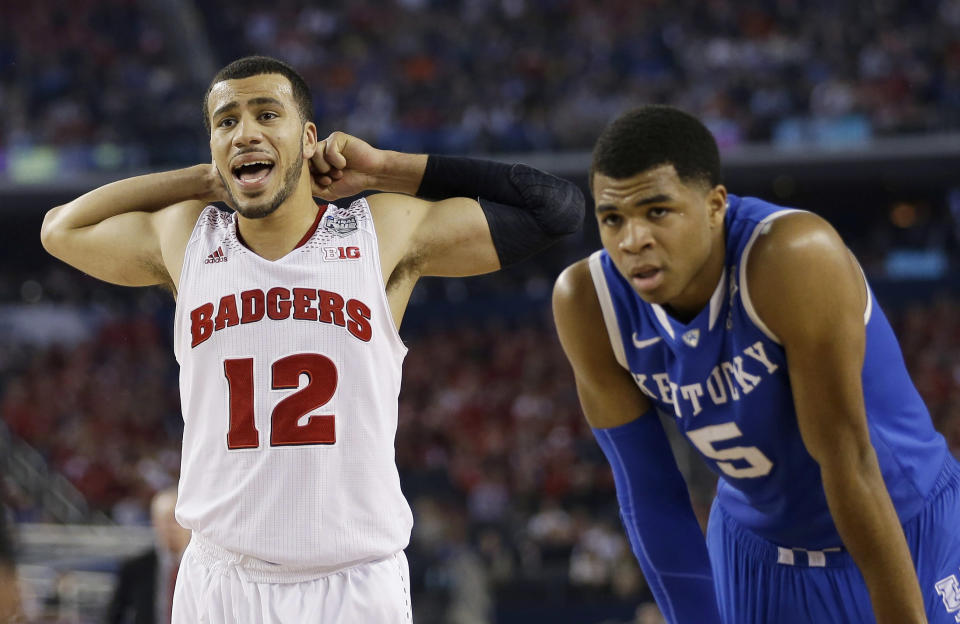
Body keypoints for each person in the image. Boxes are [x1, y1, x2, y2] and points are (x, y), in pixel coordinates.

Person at [40, 55, 584, 623]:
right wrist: (201, 179)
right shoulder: (185, 238)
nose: (245, 131)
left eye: (266, 114)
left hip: (351, 582)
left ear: (307, 140)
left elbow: (555, 208)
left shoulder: (381, 230)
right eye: (226, 123)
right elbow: (61, 228)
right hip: (222, 580)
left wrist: (386, 169)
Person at [551, 105, 960, 623]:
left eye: (657, 212)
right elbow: (649, 493)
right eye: (613, 219)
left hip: (904, 526)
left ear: (715, 205)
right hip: (759, 552)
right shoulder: (588, 302)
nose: (634, 240)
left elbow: (850, 462)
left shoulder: (791, 256)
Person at [107, 488, 191, 624]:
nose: (173, 526)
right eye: (166, 519)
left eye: (177, 519)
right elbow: (114, 615)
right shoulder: (135, 568)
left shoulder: (206, 567)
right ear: (155, 523)